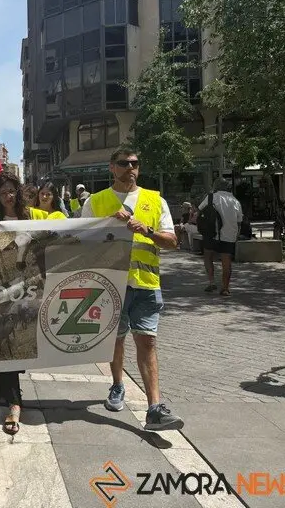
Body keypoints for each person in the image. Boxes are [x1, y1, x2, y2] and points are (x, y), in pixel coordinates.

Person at [81, 149, 184, 431]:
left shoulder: (155, 200)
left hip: (146, 284)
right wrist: (107, 227)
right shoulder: (96, 201)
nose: (131, 168)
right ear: (112, 167)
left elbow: (172, 241)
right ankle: (117, 385)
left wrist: (147, 230)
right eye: (124, 163)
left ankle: (155, 408)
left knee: (147, 341)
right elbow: (82, 243)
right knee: (116, 340)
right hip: (111, 284)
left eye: (135, 163)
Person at [0, 172, 31, 436]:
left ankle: (4, 391)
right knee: (5, 335)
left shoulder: (30, 218)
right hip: (0, 286)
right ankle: (14, 401)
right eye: (3, 193)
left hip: (25, 284)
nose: (8, 196)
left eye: (12, 191)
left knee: (16, 336)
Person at [199, 178, 243, 296]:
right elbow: (239, 221)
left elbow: (200, 210)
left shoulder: (211, 197)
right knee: (226, 262)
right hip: (229, 236)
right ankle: (225, 288)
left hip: (211, 234)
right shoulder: (235, 201)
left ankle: (212, 282)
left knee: (208, 256)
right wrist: (236, 236)